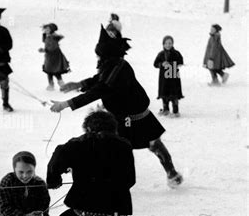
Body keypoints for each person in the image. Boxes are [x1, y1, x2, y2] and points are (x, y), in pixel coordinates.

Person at [51, 25, 183, 188]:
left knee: (154, 144)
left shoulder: (120, 67)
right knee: (113, 147)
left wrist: (66, 104)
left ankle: (172, 173)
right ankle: (110, 179)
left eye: (99, 54)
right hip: (118, 116)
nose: (97, 57)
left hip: (137, 116)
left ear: (106, 54)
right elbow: (98, 79)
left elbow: (101, 88)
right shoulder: (110, 64)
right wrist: (77, 84)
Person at [153, 35, 184, 117]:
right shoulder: (161, 54)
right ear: (163, 44)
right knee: (164, 93)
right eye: (166, 43)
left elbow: (181, 61)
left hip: (174, 77)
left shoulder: (176, 53)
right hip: (164, 79)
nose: (168, 45)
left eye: (170, 43)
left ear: (172, 44)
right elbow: (155, 64)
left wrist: (174, 64)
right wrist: (161, 64)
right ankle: (165, 109)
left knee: (174, 94)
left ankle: (176, 111)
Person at [38, 23, 70, 91]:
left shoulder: (53, 38)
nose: (46, 30)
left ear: (51, 30)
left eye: (48, 29)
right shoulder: (48, 36)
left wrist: (44, 50)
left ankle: (62, 86)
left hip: (55, 57)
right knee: (49, 71)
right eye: (45, 29)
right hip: (49, 57)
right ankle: (51, 85)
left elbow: (52, 47)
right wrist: (44, 35)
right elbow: (45, 41)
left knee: (56, 72)